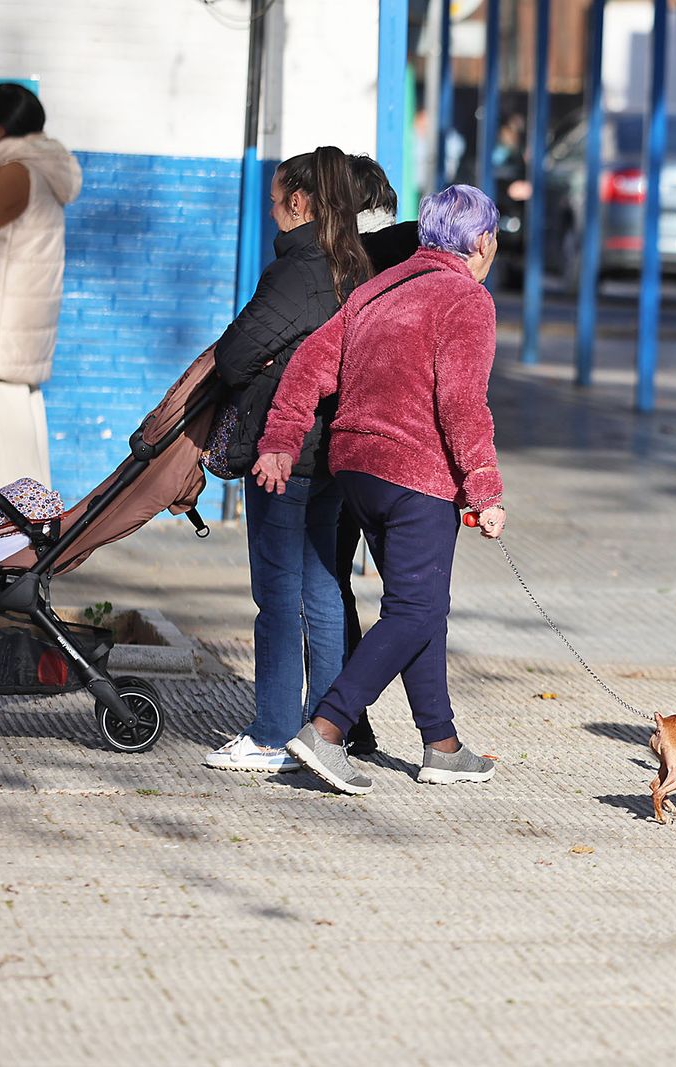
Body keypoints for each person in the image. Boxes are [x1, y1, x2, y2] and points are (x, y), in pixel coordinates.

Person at [257, 184, 506, 796]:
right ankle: (327, 728)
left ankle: (441, 745)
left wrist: (281, 438)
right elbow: (462, 403)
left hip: (356, 468)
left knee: (421, 607)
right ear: (481, 241)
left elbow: (309, 364)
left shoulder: (378, 288)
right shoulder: (467, 299)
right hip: (416, 474)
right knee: (415, 609)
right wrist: (484, 488)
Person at [203, 147, 371, 774]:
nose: (273, 210)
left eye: (276, 200)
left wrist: (267, 362)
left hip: (283, 452)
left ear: (299, 202)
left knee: (277, 595)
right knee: (324, 590)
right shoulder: (355, 267)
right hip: (331, 453)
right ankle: (322, 734)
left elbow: (232, 357)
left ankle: (273, 734)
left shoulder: (297, 272)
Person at [331, 155, 423, 758]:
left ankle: (346, 718)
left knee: (331, 582)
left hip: (343, 452)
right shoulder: (422, 258)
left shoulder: (339, 265)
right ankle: (437, 734)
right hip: (412, 458)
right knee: (416, 603)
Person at [0, 84, 81, 487]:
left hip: (0, 324)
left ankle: (11, 517)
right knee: (25, 421)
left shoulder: (16, 172)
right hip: (25, 321)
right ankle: (36, 512)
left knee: (0, 428)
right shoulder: (46, 170)